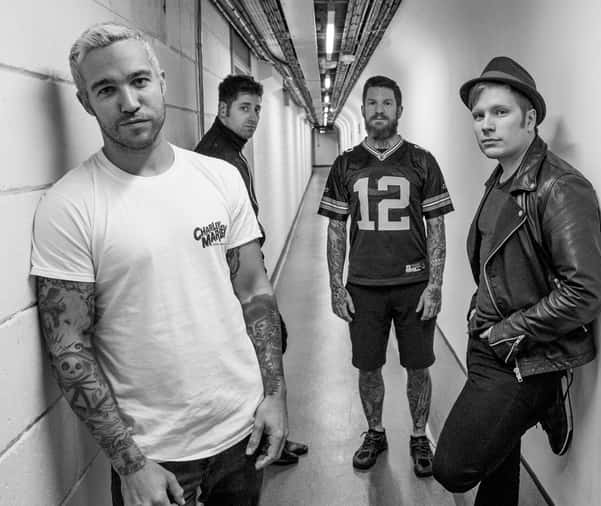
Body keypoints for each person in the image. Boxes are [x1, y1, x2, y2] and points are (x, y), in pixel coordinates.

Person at [31, 23, 287, 506]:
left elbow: (254, 289)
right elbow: (69, 346)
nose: (128, 101)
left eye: (139, 81)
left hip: (243, 431)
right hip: (157, 458)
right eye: (106, 89)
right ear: (86, 102)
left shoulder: (219, 178)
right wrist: (130, 462)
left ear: (162, 81)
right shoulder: (69, 206)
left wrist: (275, 394)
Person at [433, 56, 601, 505]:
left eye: (500, 112)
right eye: (478, 115)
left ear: (530, 119)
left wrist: (507, 333)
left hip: (523, 354)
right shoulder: (498, 181)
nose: (486, 126)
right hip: (489, 340)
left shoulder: (560, 187)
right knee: (499, 459)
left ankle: (548, 397)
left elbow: (584, 291)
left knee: (454, 467)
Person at [318, 75, 453, 477]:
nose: (379, 110)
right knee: (368, 367)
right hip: (363, 287)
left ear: (399, 110)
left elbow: (436, 227)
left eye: (387, 103)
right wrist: (335, 284)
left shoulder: (421, 161)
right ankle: (375, 432)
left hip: (413, 285)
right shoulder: (346, 164)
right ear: (362, 110)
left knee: (418, 366)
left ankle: (417, 435)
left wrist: (435, 283)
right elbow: (336, 228)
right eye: (372, 103)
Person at [195, 74, 308, 466]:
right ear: (223, 109)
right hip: (234, 284)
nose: (254, 117)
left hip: (241, 276)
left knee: (269, 350)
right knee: (262, 353)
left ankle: (268, 436)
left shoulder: (230, 150)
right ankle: (263, 440)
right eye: (244, 108)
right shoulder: (217, 157)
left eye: (258, 109)